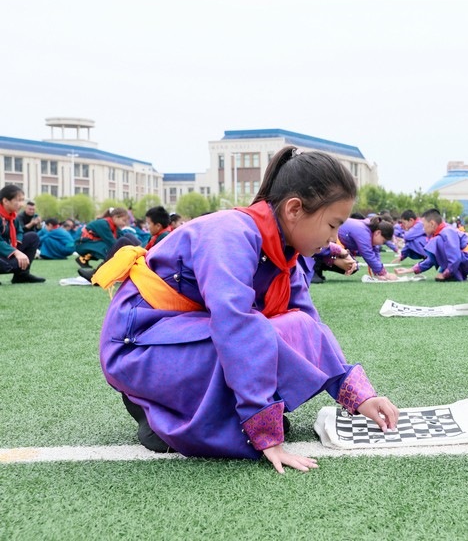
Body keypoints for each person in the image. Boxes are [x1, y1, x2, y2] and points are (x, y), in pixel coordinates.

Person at [94, 148, 399, 472]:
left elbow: (310, 327)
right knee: (253, 338)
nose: (334, 240)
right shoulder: (231, 233)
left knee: (293, 327)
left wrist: (358, 395)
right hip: (138, 346)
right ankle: (160, 410)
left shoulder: (285, 255)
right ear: (294, 209)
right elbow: (235, 327)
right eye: (332, 225)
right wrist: (265, 428)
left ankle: (196, 407)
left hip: (182, 333)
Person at [396, 209, 468, 281]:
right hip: (463, 258)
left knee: (437, 240)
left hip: (467, 258)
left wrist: (445, 274)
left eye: (424, 225)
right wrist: (409, 270)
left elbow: (455, 257)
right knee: (436, 241)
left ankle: (453, 273)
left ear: (432, 224)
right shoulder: (440, 232)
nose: (423, 229)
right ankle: (451, 272)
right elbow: (431, 259)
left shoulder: (447, 231)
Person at [0, 184, 45, 283]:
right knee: (6, 266)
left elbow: (20, 231)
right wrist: (15, 252)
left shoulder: (13, 216)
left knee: (32, 237)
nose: (21, 204)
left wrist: (16, 243)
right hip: (3, 251)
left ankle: (22, 275)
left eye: (22, 200)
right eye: (19, 200)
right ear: (5, 201)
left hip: (7, 249)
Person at [75, 207, 133, 280]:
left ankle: (83, 259)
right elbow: (112, 242)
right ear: (115, 217)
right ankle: (100, 274)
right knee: (108, 250)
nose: (125, 223)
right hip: (82, 244)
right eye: (123, 220)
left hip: (92, 243)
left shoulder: (114, 226)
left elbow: (122, 237)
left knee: (124, 241)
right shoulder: (103, 224)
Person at [338, 216, 397, 280]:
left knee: (353, 265)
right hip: (330, 245)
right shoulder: (363, 231)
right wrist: (383, 273)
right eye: (383, 241)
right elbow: (367, 253)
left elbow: (375, 252)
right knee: (351, 265)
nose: (381, 244)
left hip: (335, 244)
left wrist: (379, 272)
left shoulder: (369, 230)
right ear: (378, 233)